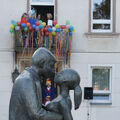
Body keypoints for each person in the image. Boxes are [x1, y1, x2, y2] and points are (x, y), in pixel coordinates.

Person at [9, 48, 63, 120]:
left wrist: (51, 108)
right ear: (42, 64)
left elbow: (35, 106)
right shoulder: (27, 80)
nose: (53, 70)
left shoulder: (33, 78)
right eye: (51, 66)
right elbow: (37, 114)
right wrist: (61, 117)